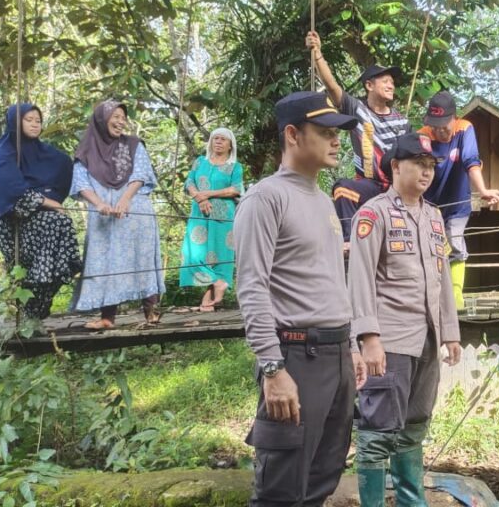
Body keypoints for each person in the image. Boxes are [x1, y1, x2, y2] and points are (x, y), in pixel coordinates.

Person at [233, 91, 367, 507]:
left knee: (321, 480)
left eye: (337, 132)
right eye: (325, 131)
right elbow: (251, 285)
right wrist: (272, 368)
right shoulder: (265, 198)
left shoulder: (324, 200)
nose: (336, 140)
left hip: (336, 357)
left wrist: (351, 346)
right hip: (295, 356)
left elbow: (332, 280)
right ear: (292, 135)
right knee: (281, 490)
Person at [349, 132, 463, 507]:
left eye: (431, 166)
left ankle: (412, 501)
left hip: (427, 338)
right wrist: (368, 338)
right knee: (378, 432)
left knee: (414, 426)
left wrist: (450, 332)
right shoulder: (374, 213)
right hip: (390, 340)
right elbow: (360, 278)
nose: (427, 172)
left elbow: (441, 278)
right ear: (396, 166)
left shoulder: (433, 217)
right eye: (419, 164)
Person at [0, 103, 82, 319]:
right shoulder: (1, 152)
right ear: (16, 122)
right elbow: (4, 189)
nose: (35, 124)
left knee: (60, 225)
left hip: (39, 220)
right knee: (52, 226)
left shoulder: (48, 154)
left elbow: (64, 172)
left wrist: (51, 200)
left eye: (38, 121)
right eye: (29, 120)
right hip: (7, 222)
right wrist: (46, 201)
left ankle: (34, 309)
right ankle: (30, 308)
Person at [305, 30, 410, 242]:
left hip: (397, 187)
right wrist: (317, 53)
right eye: (385, 81)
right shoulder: (357, 109)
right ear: (369, 85)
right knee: (343, 189)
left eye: (392, 82)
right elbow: (332, 86)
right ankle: (348, 243)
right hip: (369, 185)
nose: (391, 85)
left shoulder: (403, 121)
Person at [70, 100, 166, 330]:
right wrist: (99, 203)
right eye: (116, 117)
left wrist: (125, 200)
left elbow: (141, 174)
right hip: (104, 216)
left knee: (143, 258)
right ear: (102, 119)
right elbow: (81, 183)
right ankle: (107, 318)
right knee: (105, 262)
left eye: (123, 118)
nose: (121, 122)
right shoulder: (86, 151)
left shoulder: (133, 145)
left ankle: (151, 311)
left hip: (134, 212)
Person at [417, 91, 499, 311]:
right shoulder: (423, 136)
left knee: (455, 243)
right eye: (435, 126)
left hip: (457, 205)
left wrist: (482, 190)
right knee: (430, 248)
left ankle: (456, 297)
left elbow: (470, 160)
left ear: (454, 118)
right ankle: (432, 297)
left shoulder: (464, 129)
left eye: (444, 126)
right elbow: (416, 169)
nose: (440, 131)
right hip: (428, 205)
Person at [179, 127, 244, 312]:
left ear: (230, 145)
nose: (218, 142)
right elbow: (189, 182)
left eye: (223, 139)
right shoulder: (200, 162)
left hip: (223, 217)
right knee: (193, 254)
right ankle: (218, 282)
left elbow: (236, 189)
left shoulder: (235, 167)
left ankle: (208, 299)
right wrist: (200, 198)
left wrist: (208, 194)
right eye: (216, 138)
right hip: (199, 213)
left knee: (219, 256)